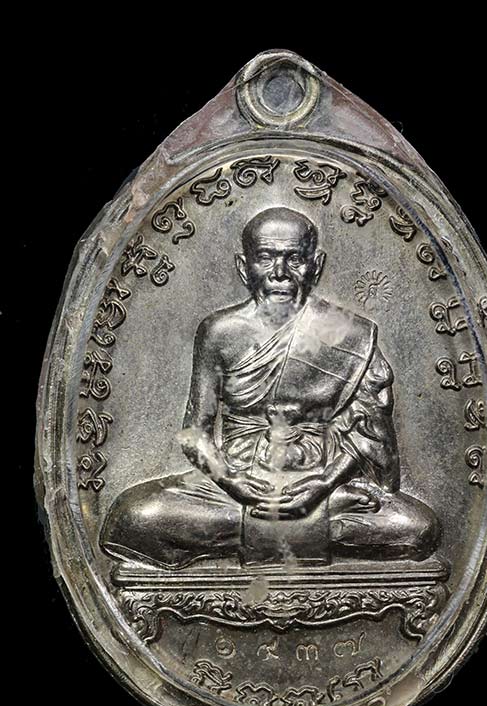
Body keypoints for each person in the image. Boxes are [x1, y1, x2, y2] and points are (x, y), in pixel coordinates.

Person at [101, 207, 440, 568]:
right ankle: (307, 527)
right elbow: (195, 434)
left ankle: (267, 528)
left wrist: (324, 485)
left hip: (323, 481)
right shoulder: (219, 332)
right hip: (237, 486)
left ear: (316, 266)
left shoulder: (350, 335)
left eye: (294, 258)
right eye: (265, 257)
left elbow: (368, 437)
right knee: (134, 516)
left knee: (418, 527)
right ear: (243, 267)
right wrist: (233, 483)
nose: (280, 273)